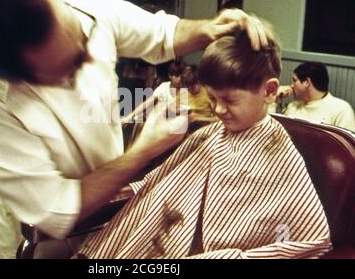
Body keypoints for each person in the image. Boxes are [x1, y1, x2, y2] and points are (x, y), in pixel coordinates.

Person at [0, 0, 271, 254]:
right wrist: (143, 151)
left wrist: (209, 29)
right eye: (70, 66)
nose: (89, 58)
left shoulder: (84, 8)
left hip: (114, 209)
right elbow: (56, 209)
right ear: (20, 77)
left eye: (80, 39)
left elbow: (163, 34)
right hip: (45, 228)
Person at [76, 28, 331, 259]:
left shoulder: (278, 152)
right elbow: (159, 183)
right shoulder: (209, 135)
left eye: (230, 100)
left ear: (269, 91)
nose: (218, 109)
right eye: (212, 98)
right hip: (166, 242)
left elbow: (313, 240)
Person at [277, 62, 355, 131]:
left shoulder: (341, 110)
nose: (292, 85)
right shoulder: (292, 107)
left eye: (295, 80)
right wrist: (274, 99)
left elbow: (347, 145)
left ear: (307, 82)